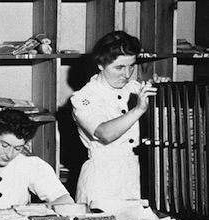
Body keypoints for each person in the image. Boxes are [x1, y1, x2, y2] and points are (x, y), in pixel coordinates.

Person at [70, 31, 170, 205]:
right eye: (119, 67)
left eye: (131, 66)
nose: (127, 73)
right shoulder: (84, 97)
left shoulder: (133, 88)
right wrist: (138, 109)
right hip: (104, 178)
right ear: (101, 64)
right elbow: (104, 133)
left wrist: (162, 91)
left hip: (138, 172)